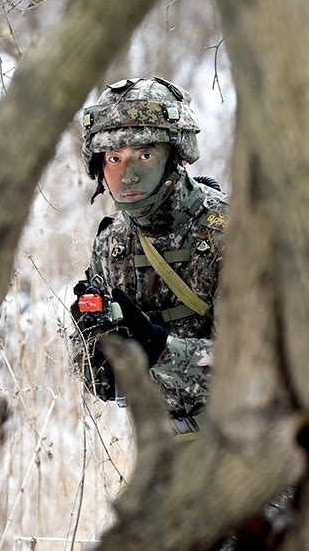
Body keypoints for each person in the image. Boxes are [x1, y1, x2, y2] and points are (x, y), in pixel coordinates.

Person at [70, 76, 228, 438]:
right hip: (163, 453)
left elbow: (256, 370)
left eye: (144, 154)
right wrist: (95, 348)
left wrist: (157, 348)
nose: (127, 175)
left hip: (251, 455)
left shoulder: (228, 234)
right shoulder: (112, 243)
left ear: (175, 156)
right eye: (114, 158)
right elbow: (104, 386)